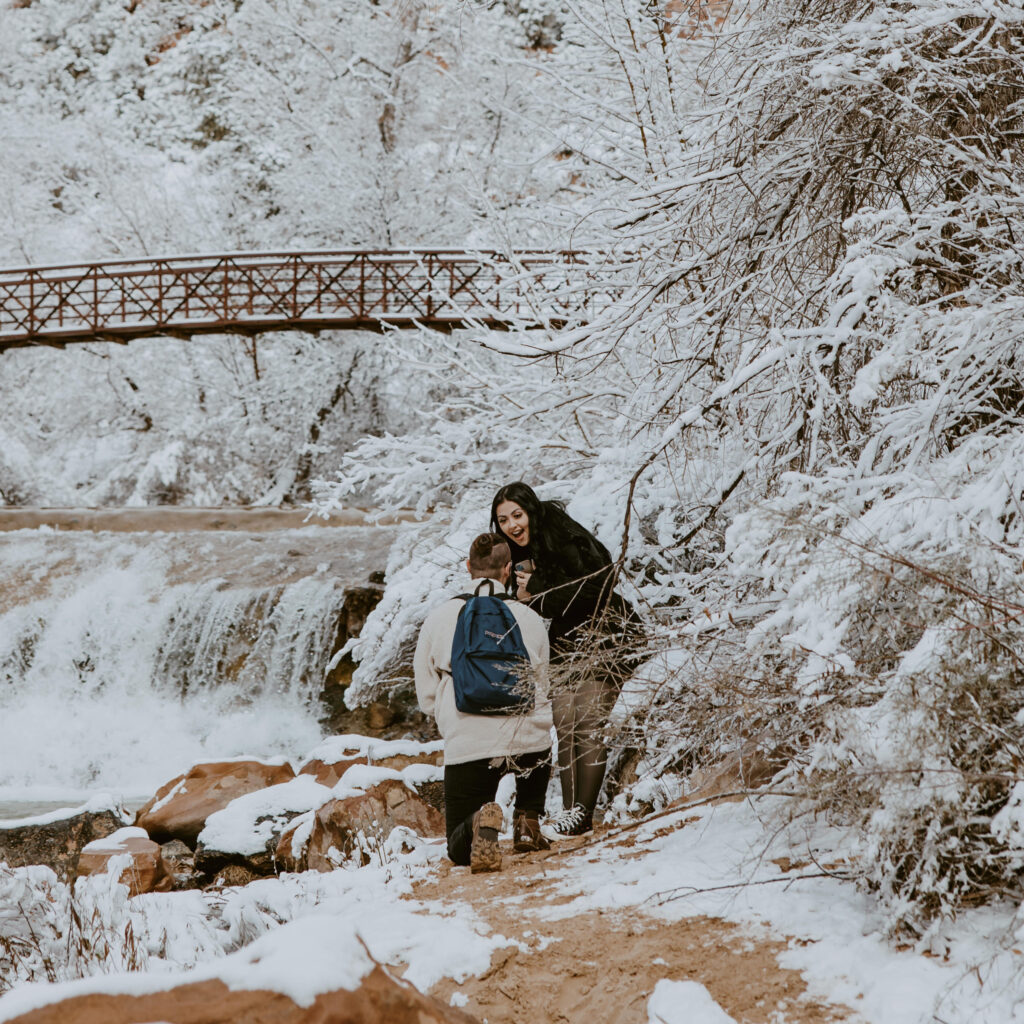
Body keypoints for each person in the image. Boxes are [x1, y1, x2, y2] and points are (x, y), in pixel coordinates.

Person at [491, 481, 640, 838]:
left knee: (588, 721)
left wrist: (538, 587)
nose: (512, 525)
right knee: (565, 723)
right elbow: (549, 605)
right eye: (503, 520)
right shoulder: (516, 557)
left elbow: (600, 581)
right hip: (566, 640)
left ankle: (582, 816)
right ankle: (572, 813)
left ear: (531, 511)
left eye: (517, 515)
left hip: (605, 633)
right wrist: (525, 597)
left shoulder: (561, 533)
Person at [414, 532, 553, 873]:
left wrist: (450, 717)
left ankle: (478, 820)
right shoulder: (530, 618)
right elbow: (543, 685)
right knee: (538, 740)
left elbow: (426, 694)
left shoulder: (440, 616)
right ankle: (528, 820)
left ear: (468, 567)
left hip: (468, 741)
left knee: (458, 850)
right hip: (528, 740)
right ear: (508, 570)